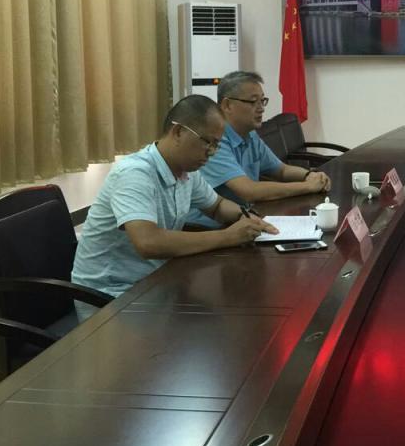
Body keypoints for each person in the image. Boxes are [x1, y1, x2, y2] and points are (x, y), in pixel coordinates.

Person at [72, 95, 277, 299]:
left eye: (217, 145)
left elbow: (217, 206)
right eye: (208, 142)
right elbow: (148, 242)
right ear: (178, 132)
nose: (212, 152)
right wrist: (229, 236)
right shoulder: (134, 173)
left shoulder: (187, 171)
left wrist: (244, 216)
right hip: (111, 295)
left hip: (156, 281)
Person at [187, 71, 330, 229]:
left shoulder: (250, 134)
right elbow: (249, 191)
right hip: (208, 228)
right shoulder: (215, 141)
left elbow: (280, 170)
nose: (261, 108)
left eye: (263, 101)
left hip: (243, 218)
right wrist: (307, 186)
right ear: (227, 105)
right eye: (253, 101)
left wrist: (309, 175)